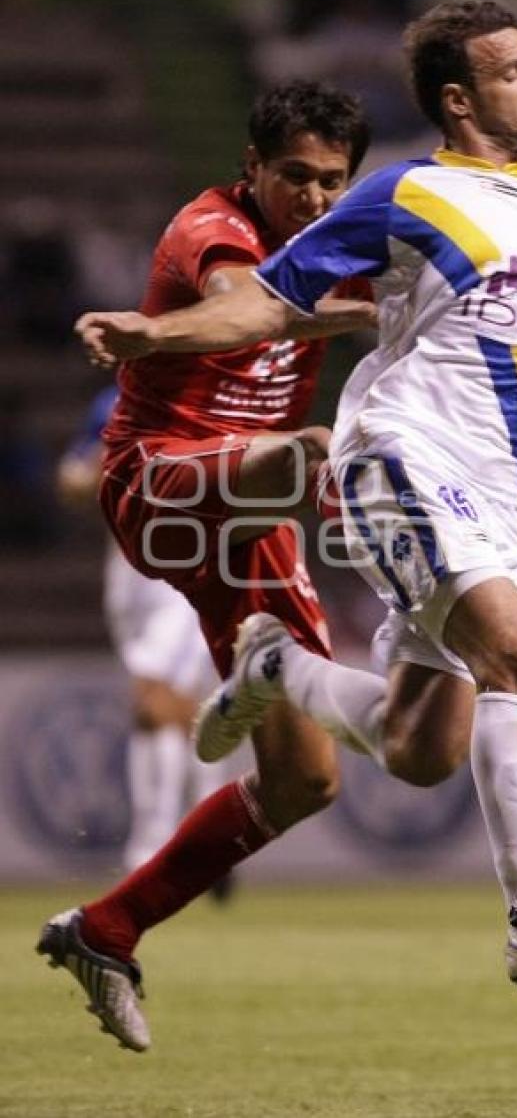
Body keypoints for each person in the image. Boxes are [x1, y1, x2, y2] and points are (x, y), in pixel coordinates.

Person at [76, 1, 517, 1012]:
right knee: (513, 648)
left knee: (421, 747)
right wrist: (153, 334)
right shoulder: (403, 194)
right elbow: (269, 297)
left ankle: (278, 666)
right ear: (456, 96)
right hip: (395, 455)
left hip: (496, 487)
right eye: (513, 70)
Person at [37, 80, 375, 1052]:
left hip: (251, 517)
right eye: (297, 177)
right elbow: (242, 311)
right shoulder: (209, 226)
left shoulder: (342, 242)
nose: (315, 198)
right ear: (253, 167)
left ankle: (107, 929)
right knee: (313, 450)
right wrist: (154, 331)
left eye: (332, 180)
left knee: (307, 780)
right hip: (160, 486)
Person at [57, 386, 229, 879]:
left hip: (183, 563)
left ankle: (151, 849)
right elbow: (74, 478)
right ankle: (211, 831)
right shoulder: (111, 402)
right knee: (181, 704)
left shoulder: (206, 398)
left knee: (154, 700)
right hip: (127, 571)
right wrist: (85, 476)